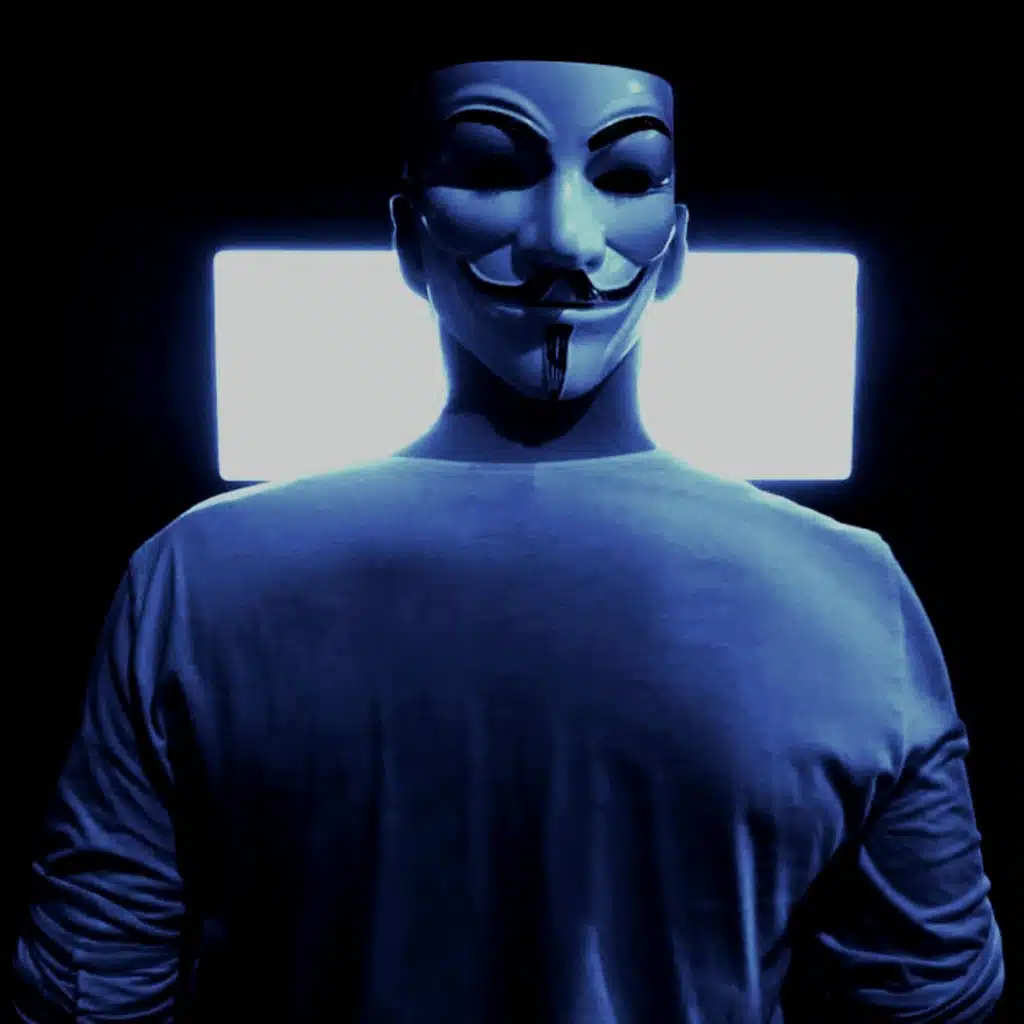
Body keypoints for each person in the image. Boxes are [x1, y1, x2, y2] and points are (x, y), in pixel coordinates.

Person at [12, 54, 1004, 1024]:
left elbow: (89, 990)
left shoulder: (195, 576)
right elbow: (929, 994)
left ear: (675, 245)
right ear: (409, 236)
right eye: (491, 170)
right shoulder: (849, 588)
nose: (564, 240)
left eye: (624, 178)